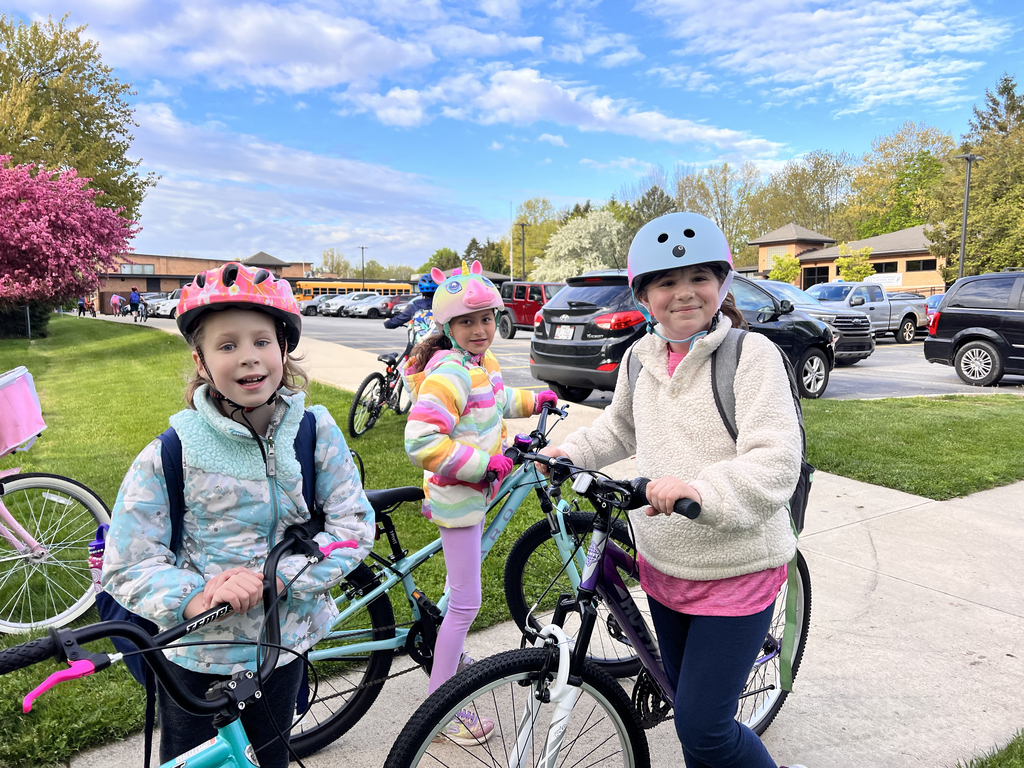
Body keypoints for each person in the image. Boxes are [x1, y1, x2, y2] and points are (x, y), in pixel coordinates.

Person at [540, 213, 807, 768]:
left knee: (706, 729)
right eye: (666, 282)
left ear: (723, 285)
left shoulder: (750, 356)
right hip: (666, 566)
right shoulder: (640, 356)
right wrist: (572, 452)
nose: (684, 294)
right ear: (642, 295)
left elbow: (775, 461)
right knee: (687, 713)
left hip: (737, 569)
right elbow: (619, 427)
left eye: (699, 279)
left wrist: (700, 489)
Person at [101, 262, 375, 768]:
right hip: (199, 658)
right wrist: (199, 597)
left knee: (268, 758)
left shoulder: (314, 432)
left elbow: (352, 528)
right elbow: (126, 563)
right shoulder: (173, 451)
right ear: (201, 362)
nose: (248, 358)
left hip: (283, 646)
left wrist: (278, 579)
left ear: (284, 348)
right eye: (227, 345)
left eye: (261, 341)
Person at [402, 260, 558, 746]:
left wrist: (537, 402)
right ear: (448, 327)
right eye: (467, 322)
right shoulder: (448, 371)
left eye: (487, 319)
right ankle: (440, 710)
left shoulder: (476, 368)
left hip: (469, 494)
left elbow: (496, 397)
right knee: (466, 604)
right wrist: (480, 464)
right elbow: (421, 441)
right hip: (457, 496)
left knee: (456, 596)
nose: (479, 329)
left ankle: (445, 668)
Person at [384, 273, 438, 350]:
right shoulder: (444, 307)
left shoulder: (414, 308)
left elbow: (391, 324)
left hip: (418, 350)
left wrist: (387, 321)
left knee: (404, 359)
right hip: (442, 349)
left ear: (422, 293)